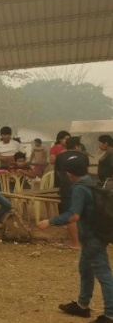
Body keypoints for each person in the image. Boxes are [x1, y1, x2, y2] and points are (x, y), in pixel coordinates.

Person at [37, 156, 113, 323]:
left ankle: (109, 314)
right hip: (96, 233)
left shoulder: (79, 188)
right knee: (85, 269)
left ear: (70, 173)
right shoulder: (91, 181)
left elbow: (73, 215)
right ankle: (82, 305)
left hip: (92, 236)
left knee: (103, 274)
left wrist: (50, 221)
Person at [55, 136, 89, 250]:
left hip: (66, 186)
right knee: (83, 213)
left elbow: (58, 173)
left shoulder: (59, 156)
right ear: (77, 145)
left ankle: (75, 243)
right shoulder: (84, 156)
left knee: (70, 214)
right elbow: (86, 172)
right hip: (83, 185)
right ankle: (85, 241)